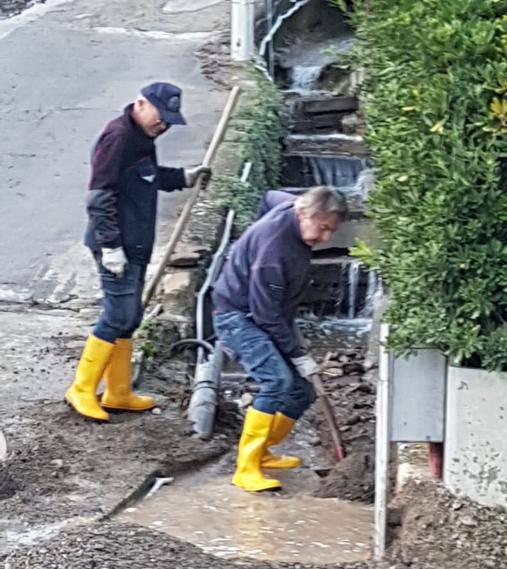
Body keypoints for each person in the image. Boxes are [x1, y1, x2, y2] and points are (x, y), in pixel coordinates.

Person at [65, 82, 210, 422]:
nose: (165, 127)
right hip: (116, 245)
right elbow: (100, 197)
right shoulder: (118, 137)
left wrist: (183, 177)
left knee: (130, 317)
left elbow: (145, 177)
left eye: (169, 121)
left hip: (137, 243)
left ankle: (118, 392)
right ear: (142, 105)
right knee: (116, 315)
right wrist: (111, 246)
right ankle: (82, 389)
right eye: (161, 118)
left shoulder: (143, 138)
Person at [213, 185, 348, 493]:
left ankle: (264, 450)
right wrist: (297, 354)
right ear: (304, 214)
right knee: (276, 381)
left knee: (302, 390)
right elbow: (266, 315)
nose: (325, 239)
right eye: (322, 228)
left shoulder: (290, 206)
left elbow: (270, 195)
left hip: (266, 314)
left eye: (331, 230)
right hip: (237, 316)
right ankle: (246, 468)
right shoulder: (273, 251)